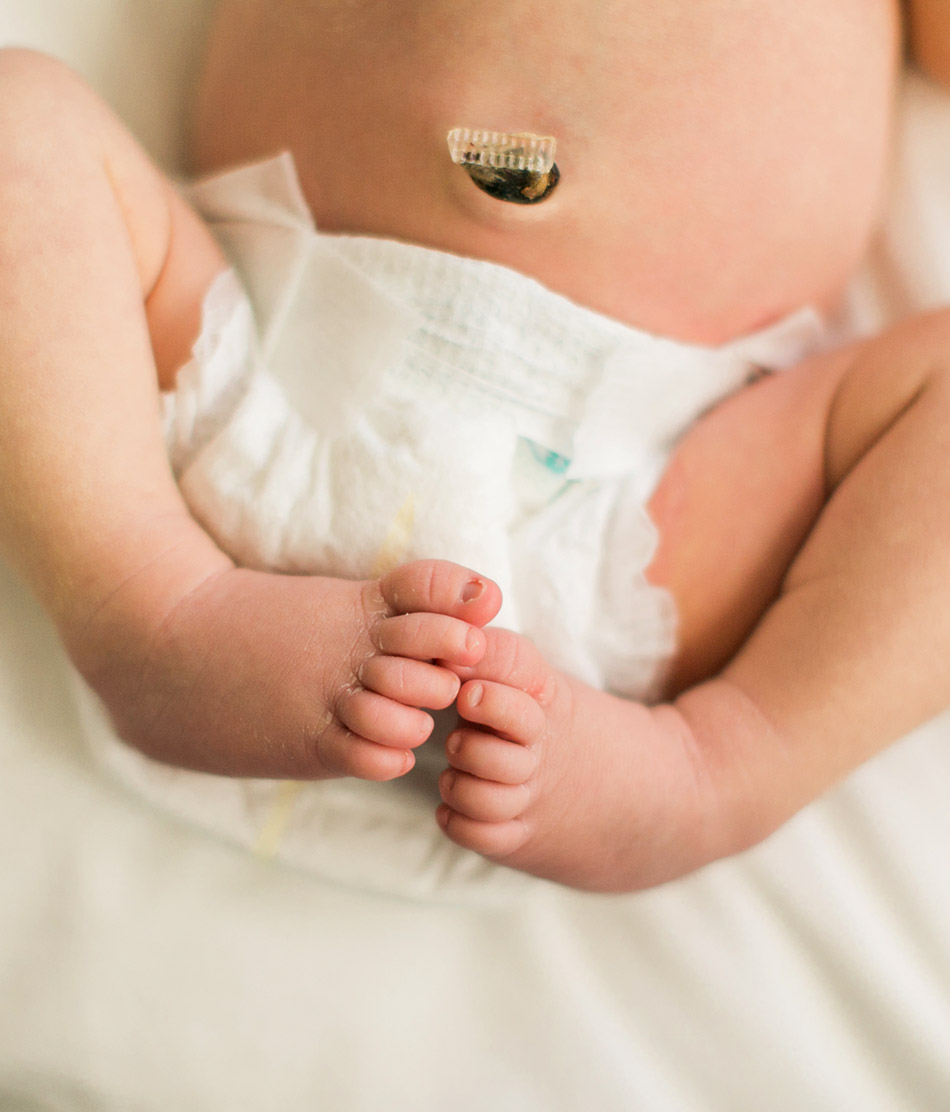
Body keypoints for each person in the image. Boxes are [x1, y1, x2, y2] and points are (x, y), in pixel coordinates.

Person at [0, 0, 949, 893]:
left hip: (648, 489)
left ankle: (723, 767)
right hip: (246, 348)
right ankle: (146, 612)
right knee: (18, 121)